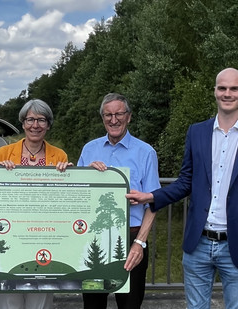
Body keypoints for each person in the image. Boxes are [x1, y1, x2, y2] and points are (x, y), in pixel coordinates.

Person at [126, 68, 238, 309]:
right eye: (222, 88)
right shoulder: (196, 132)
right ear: (215, 91)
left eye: (234, 88)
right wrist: (151, 196)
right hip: (198, 243)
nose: (228, 93)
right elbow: (185, 182)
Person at [77, 93, 161, 309]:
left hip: (131, 238)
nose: (113, 120)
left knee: (129, 305)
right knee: (93, 305)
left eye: (119, 114)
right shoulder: (89, 149)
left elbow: (154, 203)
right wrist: (85, 174)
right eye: (108, 115)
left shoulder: (146, 152)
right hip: (93, 240)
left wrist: (140, 243)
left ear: (129, 117)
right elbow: (77, 196)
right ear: (102, 118)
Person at [0, 99, 72, 309]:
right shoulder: (3, 154)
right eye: (30, 119)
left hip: (46, 237)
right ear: (22, 123)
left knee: (41, 299)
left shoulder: (60, 156)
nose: (35, 125)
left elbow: (66, 202)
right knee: (9, 298)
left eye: (41, 120)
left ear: (48, 124)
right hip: (11, 237)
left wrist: (72, 179)